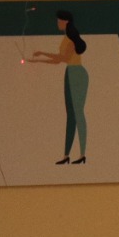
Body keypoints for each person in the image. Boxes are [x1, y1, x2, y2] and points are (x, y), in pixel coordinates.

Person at [28, 10, 90, 165]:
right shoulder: (66, 39)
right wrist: (40, 57)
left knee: (78, 113)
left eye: (59, 20)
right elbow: (58, 60)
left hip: (77, 73)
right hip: (70, 73)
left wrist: (41, 56)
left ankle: (82, 154)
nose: (57, 23)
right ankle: (66, 155)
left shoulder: (70, 39)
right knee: (71, 114)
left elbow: (62, 58)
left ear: (66, 22)